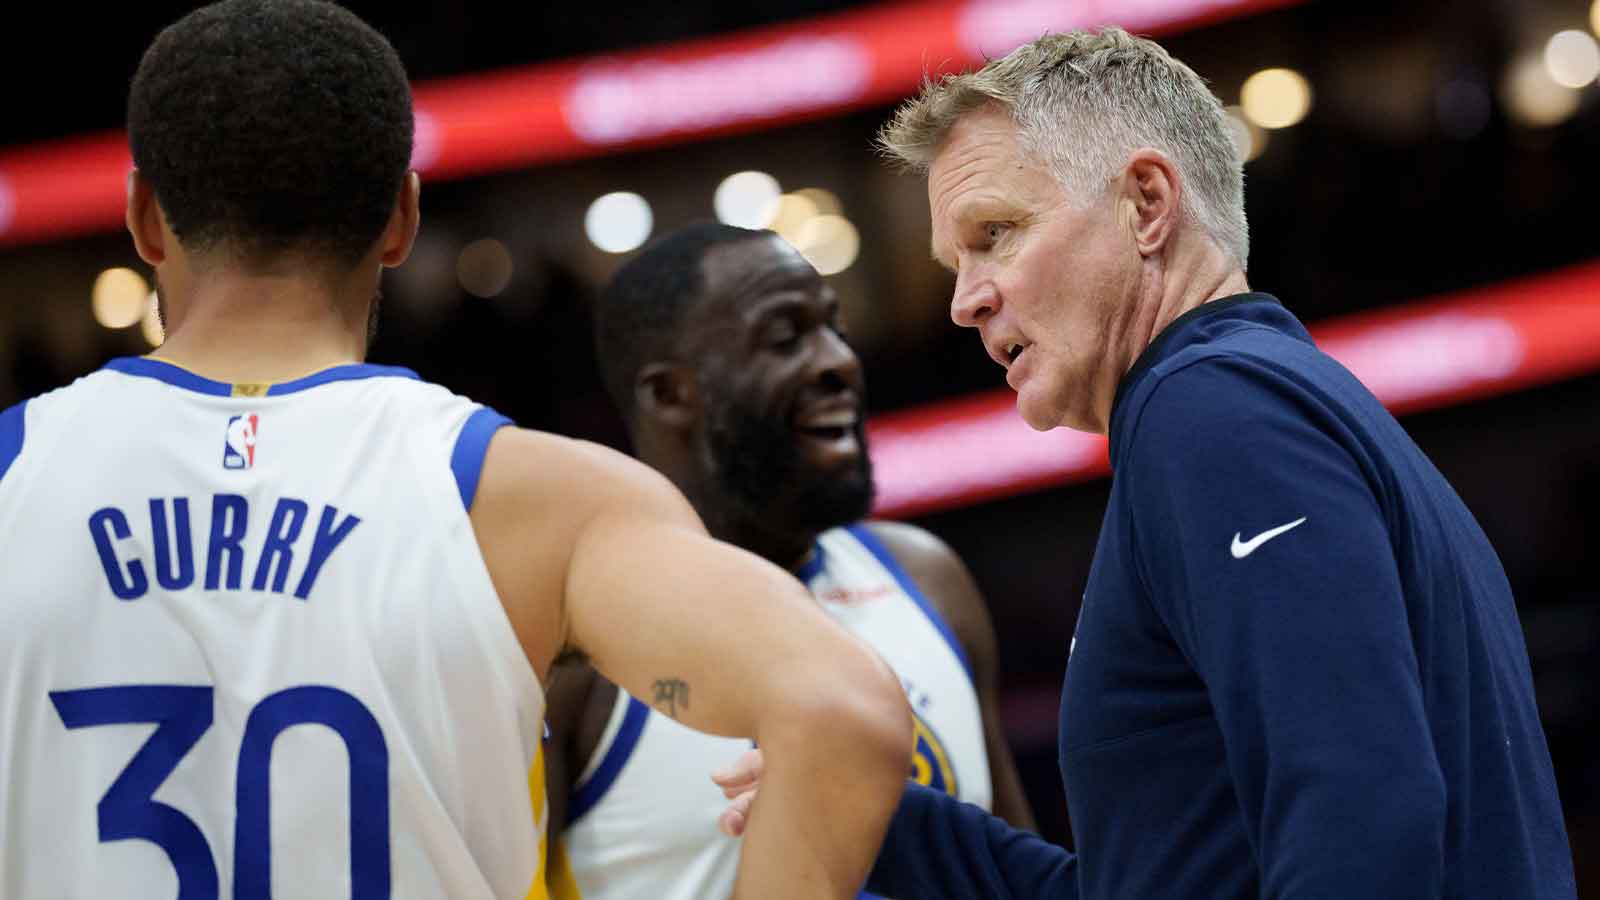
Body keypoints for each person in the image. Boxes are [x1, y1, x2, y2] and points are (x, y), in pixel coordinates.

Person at [0, 3, 912, 898]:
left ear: (143, 218)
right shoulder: (542, 499)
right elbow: (844, 711)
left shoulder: (14, 473)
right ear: (402, 217)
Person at [715, 27, 1578, 900]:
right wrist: (892, 826)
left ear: (1147, 204)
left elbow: (1361, 815)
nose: (964, 301)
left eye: (995, 233)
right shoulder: (1257, 404)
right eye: (956, 261)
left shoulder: (1215, 413)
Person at [541, 222, 1035, 899]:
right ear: (668, 395)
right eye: (784, 338)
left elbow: (1017, 878)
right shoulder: (576, 648)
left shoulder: (927, 578)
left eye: (835, 328)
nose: (839, 362)